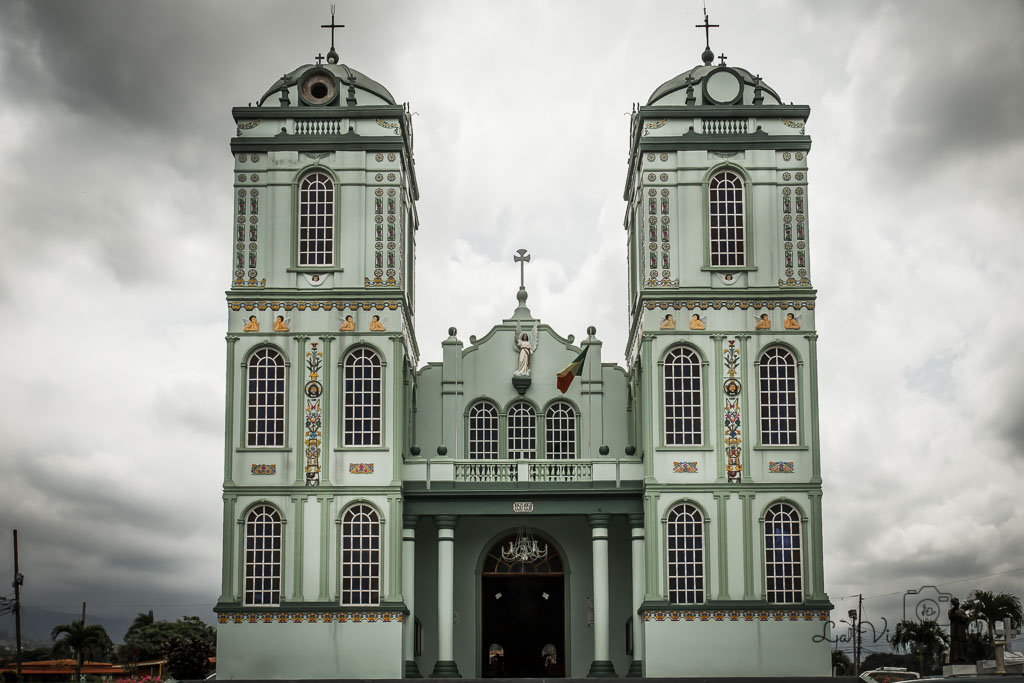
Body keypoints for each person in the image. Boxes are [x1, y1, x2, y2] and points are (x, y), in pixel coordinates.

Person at [948, 597, 970, 664]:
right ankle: (955, 658)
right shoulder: (951, 611)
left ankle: (963, 658)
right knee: (955, 644)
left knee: (962, 643)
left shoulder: (962, 611)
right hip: (954, 630)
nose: (957, 604)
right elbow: (950, 617)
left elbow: (967, 618)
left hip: (961, 630)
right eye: (955, 603)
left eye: (957, 603)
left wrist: (960, 616)